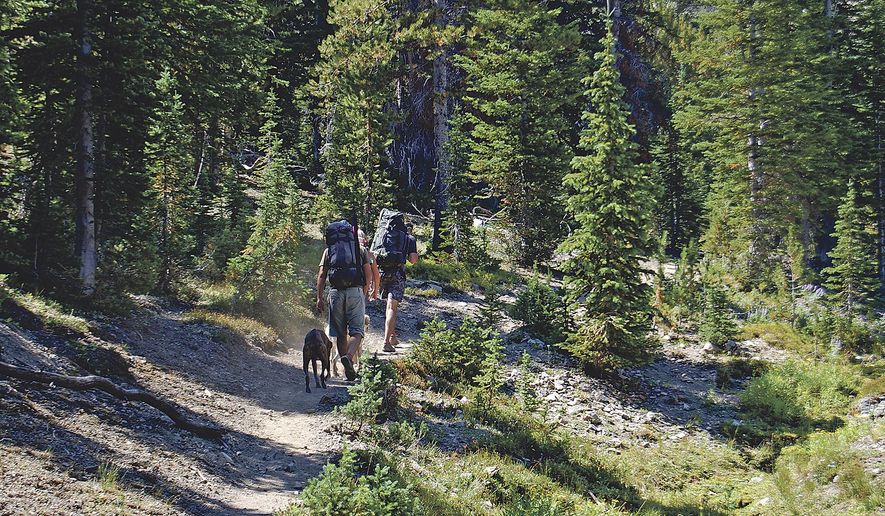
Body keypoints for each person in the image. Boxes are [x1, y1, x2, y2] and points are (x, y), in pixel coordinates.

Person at [316, 220, 371, 381]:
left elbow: (321, 275)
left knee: (340, 333)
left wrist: (319, 297)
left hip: (335, 293)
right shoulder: (360, 249)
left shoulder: (329, 251)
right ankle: (348, 356)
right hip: (355, 291)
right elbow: (368, 273)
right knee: (357, 331)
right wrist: (364, 292)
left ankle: (347, 369)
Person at [379, 222, 418, 352]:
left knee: (388, 306)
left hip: (382, 273)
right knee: (392, 308)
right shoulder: (410, 238)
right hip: (397, 274)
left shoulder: (385, 234)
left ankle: (393, 336)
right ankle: (386, 342)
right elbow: (413, 260)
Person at [358, 229, 381, 301]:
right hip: (364, 288)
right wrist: (375, 291)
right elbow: (376, 275)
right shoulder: (369, 254)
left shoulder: (347, 251)